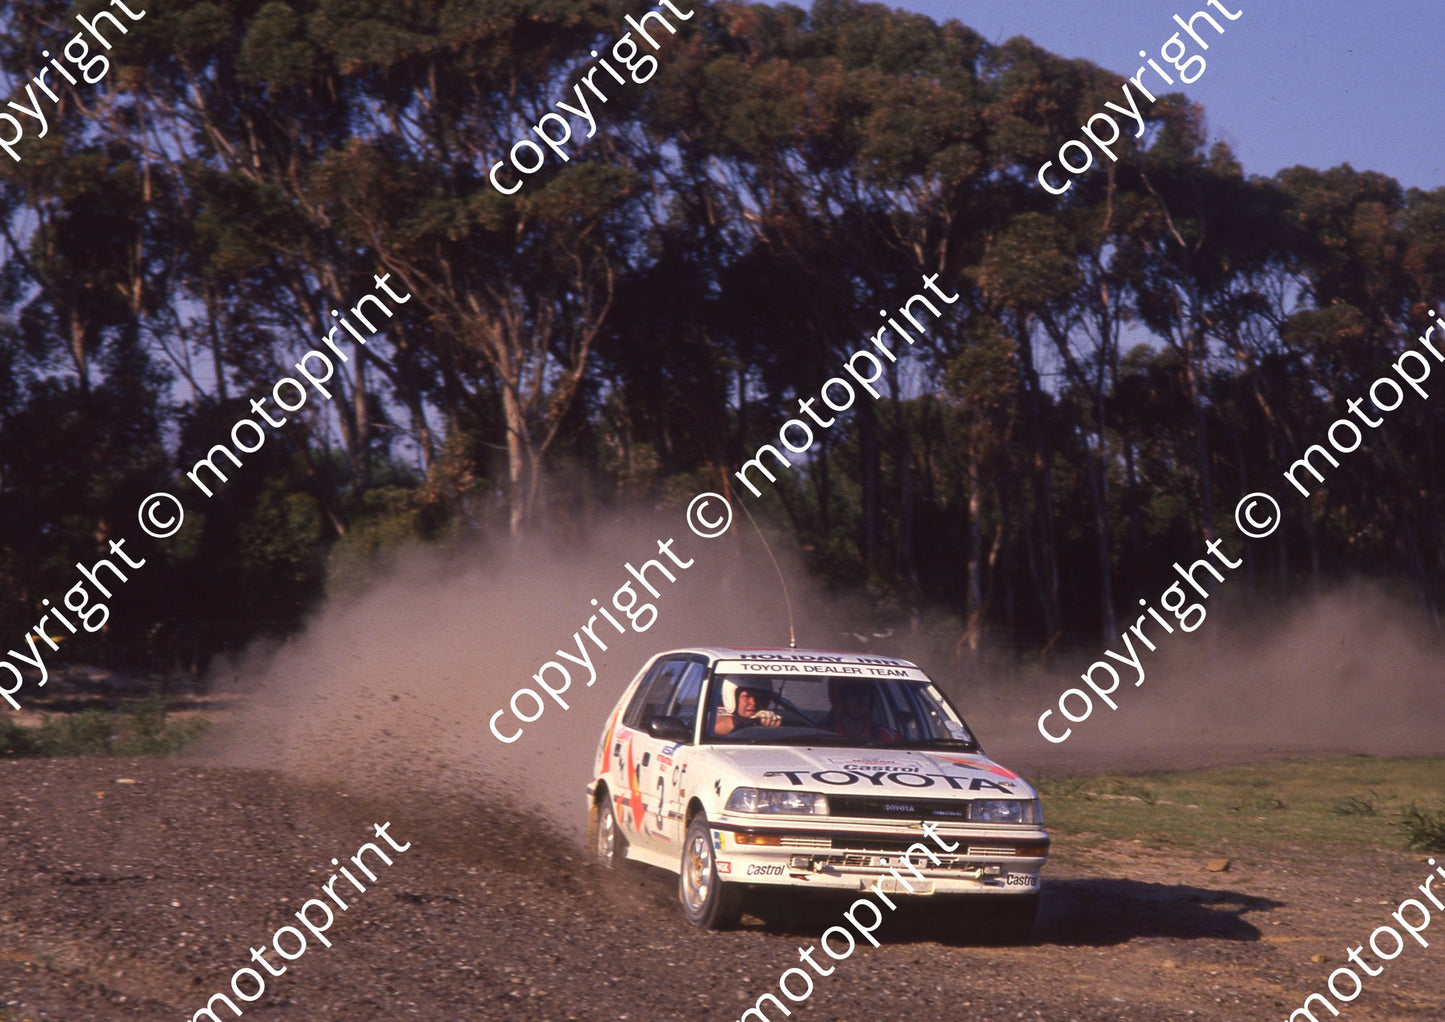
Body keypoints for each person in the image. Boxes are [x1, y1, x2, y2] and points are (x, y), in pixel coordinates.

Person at [825, 678, 899, 743]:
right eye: (854, 694)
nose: (860, 699)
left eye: (864, 694)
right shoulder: (823, 734)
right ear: (844, 700)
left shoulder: (889, 738)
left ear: (871, 701)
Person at [711, 679, 782, 736]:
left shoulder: (770, 717)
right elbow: (714, 726)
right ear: (732, 697)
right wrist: (755, 721)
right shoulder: (711, 712)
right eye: (746, 697)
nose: (753, 703)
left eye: (759, 698)